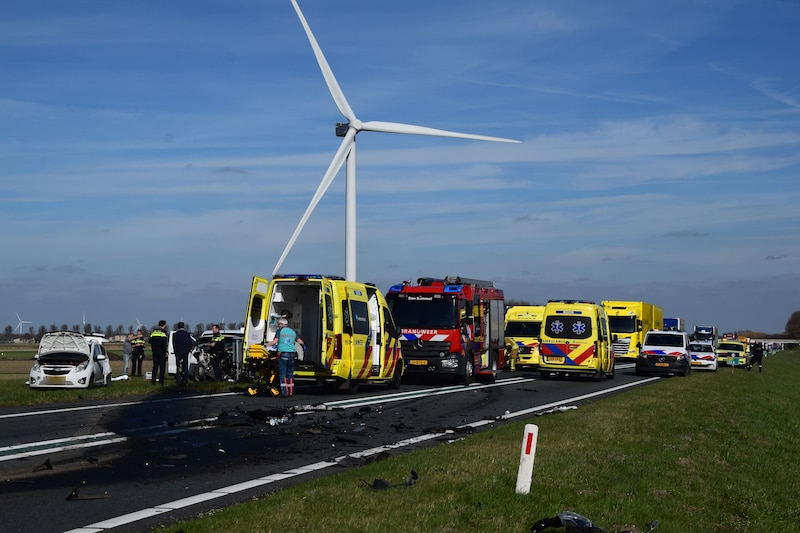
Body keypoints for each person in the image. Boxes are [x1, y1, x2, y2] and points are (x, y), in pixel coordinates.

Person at [265, 317, 304, 397]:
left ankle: (284, 392)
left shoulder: (280, 331)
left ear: (281, 324)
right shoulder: (293, 332)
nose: (278, 326)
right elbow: (300, 342)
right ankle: (290, 392)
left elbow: (275, 341)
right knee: (290, 374)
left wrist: (266, 345)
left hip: (283, 354)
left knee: (283, 374)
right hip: (292, 354)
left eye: (278, 324)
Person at [172, 321, 195, 388]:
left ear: (178, 327)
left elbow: (174, 344)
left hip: (178, 352)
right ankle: (186, 381)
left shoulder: (176, 334)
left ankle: (178, 381)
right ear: (183, 326)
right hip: (185, 352)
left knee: (178, 367)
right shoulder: (187, 334)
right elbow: (190, 344)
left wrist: (175, 351)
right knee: (185, 367)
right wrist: (188, 350)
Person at [149, 320, 168, 385]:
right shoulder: (163, 333)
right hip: (162, 352)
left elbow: (149, 341)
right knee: (162, 367)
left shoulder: (153, 332)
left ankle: (153, 381)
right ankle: (161, 381)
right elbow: (164, 344)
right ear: (164, 325)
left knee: (155, 367)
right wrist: (165, 352)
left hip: (154, 352)